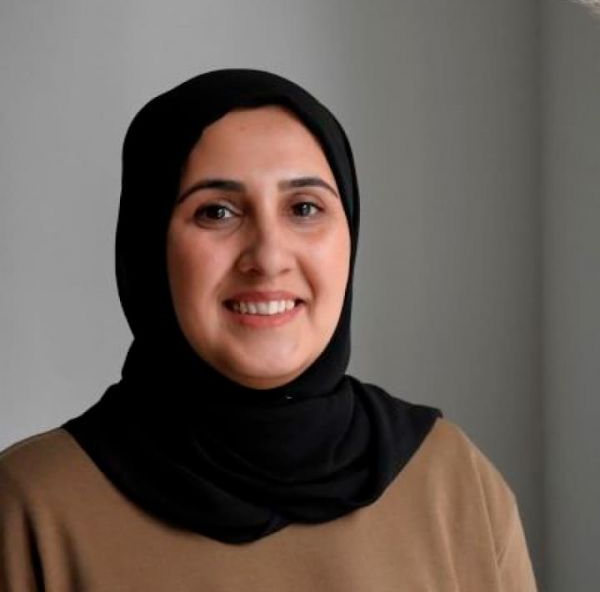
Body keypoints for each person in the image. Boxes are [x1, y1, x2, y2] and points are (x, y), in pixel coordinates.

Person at [0, 69, 537, 590]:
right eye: (217, 212)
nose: (269, 257)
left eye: (304, 207)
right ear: (148, 247)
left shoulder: (451, 482)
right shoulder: (32, 510)